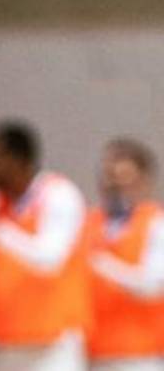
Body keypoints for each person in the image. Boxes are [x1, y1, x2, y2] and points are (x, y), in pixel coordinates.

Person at [0, 120, 90, 371]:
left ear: (18, 159)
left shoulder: (58, 194)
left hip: (55, 342)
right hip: (9, 340)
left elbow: (49, 260)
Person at [85, 138, 164, 371]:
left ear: (143, 182)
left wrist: (101, 263)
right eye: (109, 178)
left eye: (124, 180)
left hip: (141, 356)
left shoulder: (156, 224)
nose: (115, 187)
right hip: (93, 354)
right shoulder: (88, 223)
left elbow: (152, 285)